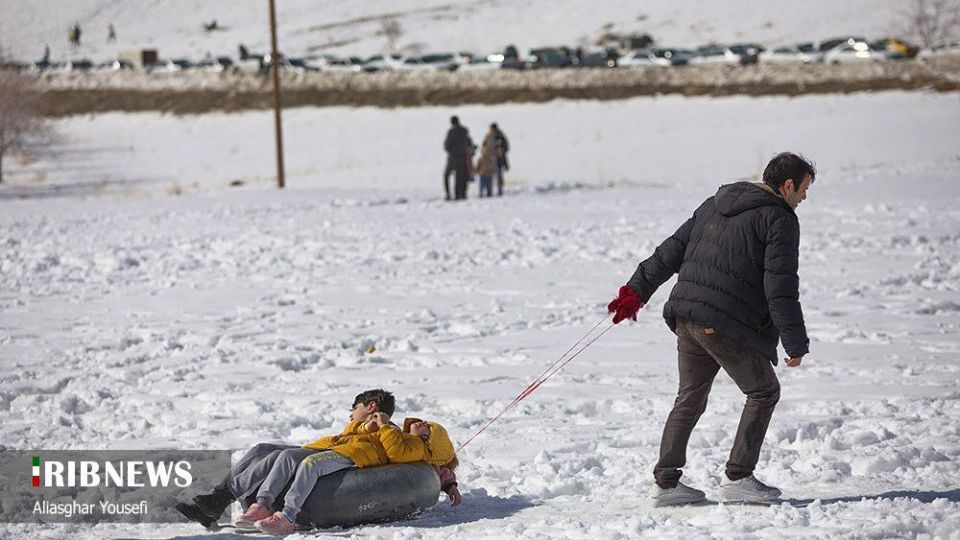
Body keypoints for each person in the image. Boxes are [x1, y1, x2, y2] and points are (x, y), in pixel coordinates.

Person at [607, 152, 815, 507]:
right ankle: (738, 477)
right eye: (803, 190)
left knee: (689, 397)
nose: (804, 199)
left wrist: (634, 292)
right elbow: (779, 287)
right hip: (722, 322)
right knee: (763, 391)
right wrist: (795, 342)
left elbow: (668, 253)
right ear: (788, 185)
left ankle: (667, 484)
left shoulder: (714, 204)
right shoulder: (780, 219)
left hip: (687, 316)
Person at [176, 389, 461, 532]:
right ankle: (217, 500)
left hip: (339, 458)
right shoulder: (368, 428)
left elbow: (400, 454)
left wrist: (386, 426)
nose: (351, 412)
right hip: (322, 449)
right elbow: (353, 433)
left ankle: (268, 507)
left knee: (286, 457)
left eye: (355, 407)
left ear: (371, 406)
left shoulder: (398, 437)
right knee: (262, 448)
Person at [443, 116, 472, 201]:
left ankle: (448, 194)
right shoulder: (464, 131)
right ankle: (460, 194)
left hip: (453, 157)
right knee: (460, 177)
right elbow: (469, 142)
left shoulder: (451, 131)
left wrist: (450, 151)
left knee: (446, 175)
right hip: (463, 157)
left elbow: (447, 145)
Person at [475, 127, 498, 198]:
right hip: (486, 175)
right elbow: (493, 166)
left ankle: (483, 195)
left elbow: (478, 166)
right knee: (487, 188)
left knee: (484, 188)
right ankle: (486, 195)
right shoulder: (490, 158)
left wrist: (476, 171)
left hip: (484, 174)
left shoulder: (483, 158)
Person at [490, 123, 510, 196]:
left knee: (498, 175)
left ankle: (499, 191)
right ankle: (497, 191)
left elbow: (505, 148)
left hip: (498, 159)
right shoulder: (493, 136)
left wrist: (499, 151)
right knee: (497, 176)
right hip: (495, 159)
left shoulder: (498, 136)